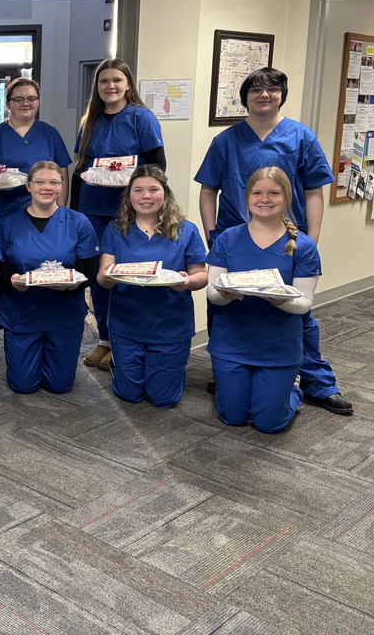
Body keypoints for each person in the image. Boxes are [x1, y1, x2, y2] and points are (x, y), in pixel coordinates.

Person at [195, 67, 351, 415]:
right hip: (235, 237)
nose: (264, 94)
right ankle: (230, 370)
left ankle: (316, 382)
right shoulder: (226, 140)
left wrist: (311, 239)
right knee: (225, 307)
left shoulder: (300, 136)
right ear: (245, 96)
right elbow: (208, 190)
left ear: (283, 93)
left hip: (286, 240)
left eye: (273, 89)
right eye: (256, 89)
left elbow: (314, 191)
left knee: (297, 315)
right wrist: (212, 236)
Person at [206, 167, 321, 433]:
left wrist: (277, 298)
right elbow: (212, 295)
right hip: (232, 343)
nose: (264, 199)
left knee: (269, 423)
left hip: (278, 347)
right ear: (247, 197)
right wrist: (226, 292)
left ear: (286, 197)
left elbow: (304, 304)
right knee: (232, 416)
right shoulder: (227, 239)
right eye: (257, 193)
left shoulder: (302, 246)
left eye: (273, 193)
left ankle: (292, 391)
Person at [72, 59, 164, 370]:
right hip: (93, 209)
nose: (110, 86)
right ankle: (105, 339)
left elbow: (156, 167)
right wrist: (73, 214)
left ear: (128, 84)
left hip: (128, 210)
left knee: (125, 275)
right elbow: (80, 169)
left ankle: (125, 339)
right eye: (103, 81)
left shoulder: (142, 118)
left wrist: (145, 199)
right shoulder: (90, 121)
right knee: (100, 279)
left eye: (116, 80)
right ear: (96, 87)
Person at [0, 77, 71, 363]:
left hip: (40, 214)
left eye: (31, 98)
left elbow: (62, 175)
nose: (26, 103)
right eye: (19, 99)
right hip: (0, 214)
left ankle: (34, 333)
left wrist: (60, 214)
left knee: (36, 271)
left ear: (38, 101)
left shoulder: (49, 134)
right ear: (8, 103)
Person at [96, 165, 207, 407]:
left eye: (153, 189)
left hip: (169, 326)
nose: (146, 196)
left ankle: (171, 368)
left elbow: (201, 275)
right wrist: (111, 276)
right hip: (127, 323)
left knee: (163, 399)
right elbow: (102, 278)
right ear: (129, 195)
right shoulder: (116, 229)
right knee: (129, 394)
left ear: (165, 193)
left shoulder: (185, 230)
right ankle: (123, 363)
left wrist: (186, 282)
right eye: (138, 190)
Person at [0, 161, 99, 394]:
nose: (47, 187)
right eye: (40, 182)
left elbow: (89, 271)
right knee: (23, 385)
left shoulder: (78, 222)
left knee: (59, 386)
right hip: (23, 313)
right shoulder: (9, 224)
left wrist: (69, 288)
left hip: (64, 314)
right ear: (28, 186)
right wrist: (12, 280)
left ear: (62, 186)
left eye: (54, 182)